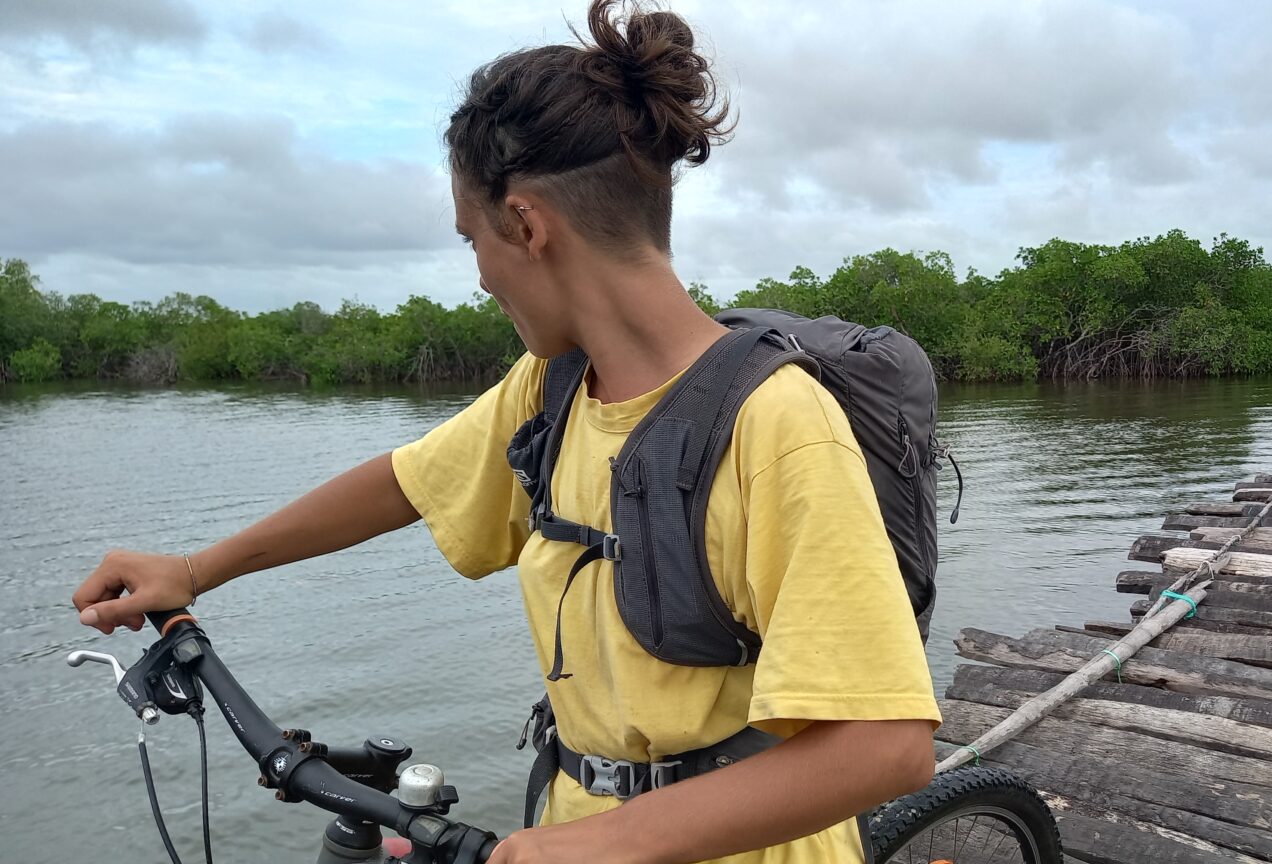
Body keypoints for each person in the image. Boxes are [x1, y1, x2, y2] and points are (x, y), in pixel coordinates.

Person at [70, 2, 941, 861]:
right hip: (573, 819)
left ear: (526, 225)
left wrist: (611, 841)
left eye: (472, 239)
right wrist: (195, 570)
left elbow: (885, 746)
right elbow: (407, 483)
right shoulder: (555, 387)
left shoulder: (776, 422)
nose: (481, 276)